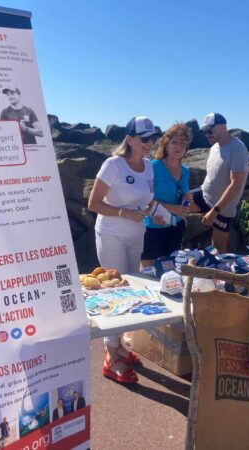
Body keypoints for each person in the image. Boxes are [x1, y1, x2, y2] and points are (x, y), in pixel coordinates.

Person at [88, 115, 161, 384]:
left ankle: (119, 347)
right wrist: (123, 212)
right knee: (114, 292)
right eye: (144, 139)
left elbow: (147, 200)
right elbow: (93, 203)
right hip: (112, 236)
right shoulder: (113, 165)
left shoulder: (149, 167)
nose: (149, 143)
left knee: (131, 294)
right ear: (129, 139)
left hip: (136, 234)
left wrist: (159, 211)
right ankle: (110, 356)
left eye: (152, 138)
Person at [188, 113, 249, 252]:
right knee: (178, 203)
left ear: (223, 127)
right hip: (204, 196)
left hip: (222, 209)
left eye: (210, 131)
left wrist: (214, 211)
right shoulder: (214, 147)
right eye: (205, 132)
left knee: (218, 250)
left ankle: (217, 272)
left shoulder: (238, 148)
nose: (207, 135)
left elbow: (236, 184)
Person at [140, 123, 192, 268]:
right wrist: (174, 208)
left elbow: (185, 196)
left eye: (183, 143)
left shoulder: (185, 171)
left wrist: (185, 205)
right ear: (165, 145)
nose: (178, 147)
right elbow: (144, 198)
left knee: (170, 270)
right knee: (147, 271)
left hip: (176, 226)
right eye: (174, 142)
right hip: (152, 227)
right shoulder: (153, 166)